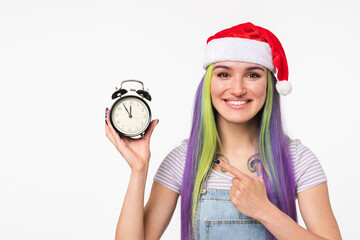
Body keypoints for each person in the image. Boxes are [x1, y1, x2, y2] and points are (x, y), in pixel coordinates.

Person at [105, 22, 342, 240]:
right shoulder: (183, 161)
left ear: (269, 84)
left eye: (252, 75)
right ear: (209, 84)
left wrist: (265, 211)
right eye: (224, 74)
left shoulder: (298, 160)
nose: (237, 89)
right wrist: (139, 169)